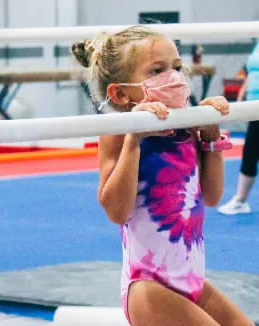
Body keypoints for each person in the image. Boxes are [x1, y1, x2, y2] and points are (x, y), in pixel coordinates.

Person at [71, 26, 252, 325]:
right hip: (148, 287)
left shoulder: (188, 128)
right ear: (120, 91)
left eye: (177, 67)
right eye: (158, 70)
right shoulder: (117, 132)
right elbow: (117, 211)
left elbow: (212, 196)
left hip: (191, 281)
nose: (175, 76)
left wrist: (210, 136)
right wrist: (134, 139)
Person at [218, 41, 259, 215]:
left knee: (251, 150)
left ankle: (241, 199)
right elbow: (252, 71)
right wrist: (242, 92)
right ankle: (241, 200)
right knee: (250, 151)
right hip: (254, 105)